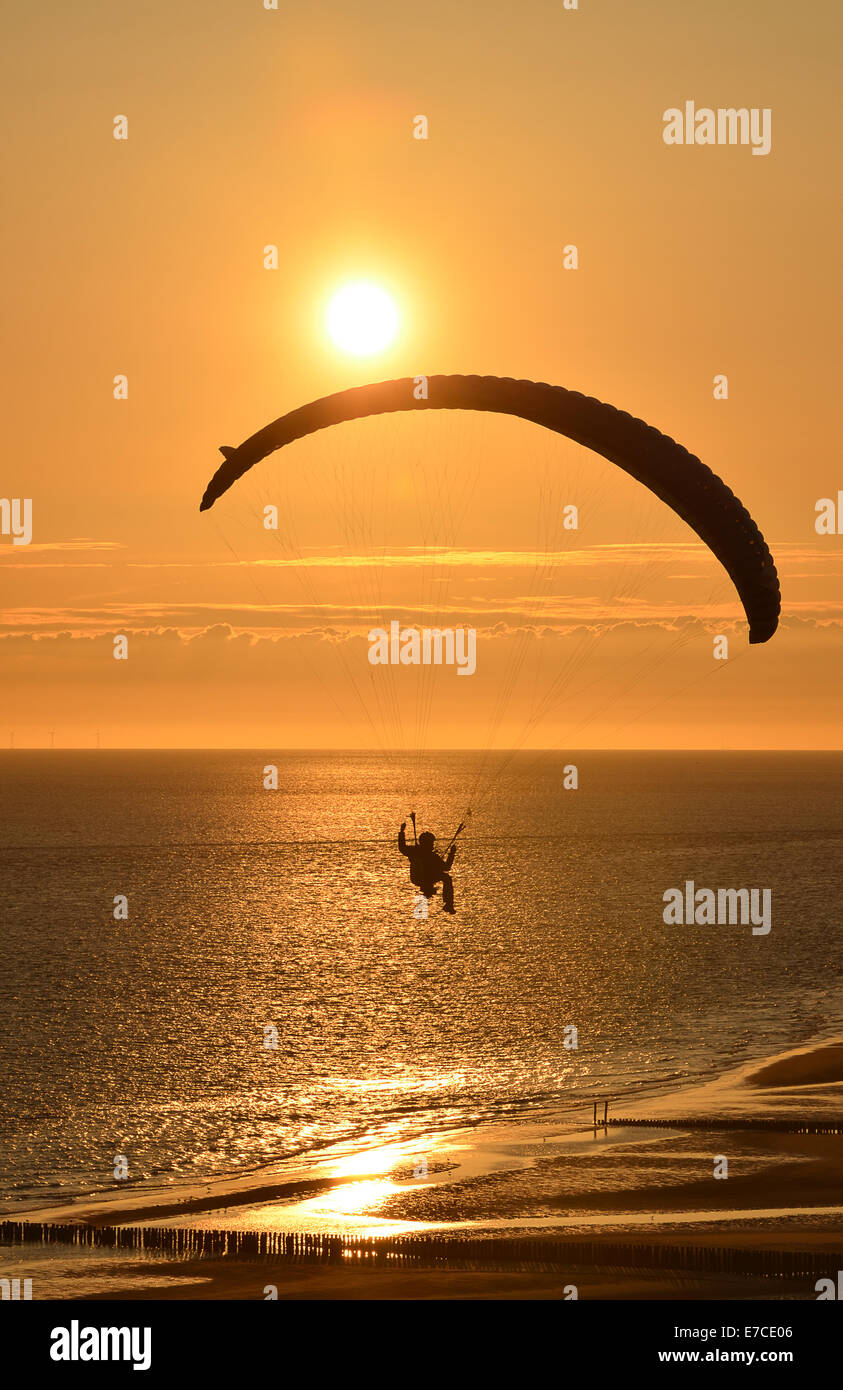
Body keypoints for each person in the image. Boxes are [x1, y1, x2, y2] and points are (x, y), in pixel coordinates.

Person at [398, 822, 456, 913]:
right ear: (427, 843)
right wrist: (452, 854)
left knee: (446, 877)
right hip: (423, 878)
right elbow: (446, 867)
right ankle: (448, 904)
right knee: (447, 878)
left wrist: (402, 832)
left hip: (418, 879)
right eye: (431, 843)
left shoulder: (415, 851)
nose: (433, 845)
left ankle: (448, 904)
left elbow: (402, 848)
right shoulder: (427, 855)